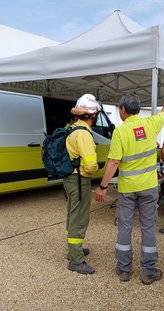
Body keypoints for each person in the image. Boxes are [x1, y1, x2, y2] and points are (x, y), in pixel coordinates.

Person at [95, 95, 164, 285]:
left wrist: (103, 186)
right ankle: (148, 271)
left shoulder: (120, 131)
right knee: (148, 227)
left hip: (127, 189)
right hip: (149, 187)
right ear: (138, 109)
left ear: (123, 110)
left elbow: (114, 161)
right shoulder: (151, 124)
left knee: (124, 227)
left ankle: (124, 270)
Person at [64, 94, 100, 274]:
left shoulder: (71, 128)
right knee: (80, 218)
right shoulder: (84, 134)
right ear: (92, 115)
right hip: (79, 180)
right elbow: (91, 164)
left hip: (70, 179)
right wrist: (88, 174)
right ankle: (76, 260)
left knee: (73, 214)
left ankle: (74, 250)